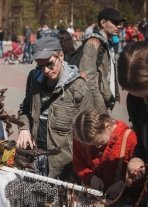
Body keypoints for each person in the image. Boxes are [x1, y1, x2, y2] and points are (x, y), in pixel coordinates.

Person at [16, 36, 94, 179]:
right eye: (40, 66)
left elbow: (88, 133)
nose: (45, 70)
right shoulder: (34, 78)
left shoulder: (79, 87)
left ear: (61, 55)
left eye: (50, 64)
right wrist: (24, 128)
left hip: (65, 166)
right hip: (35, 158)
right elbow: (25, 109)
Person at [117, 42, 148, 206]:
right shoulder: (136, 101)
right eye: (139, 96)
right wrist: (137, 158)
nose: (147, 102)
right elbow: (141, 137)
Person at [72, 109, 145, 205]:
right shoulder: (81, 140)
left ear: (107, 125)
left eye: (100, 143)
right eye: (91, 145)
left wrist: (123, 183)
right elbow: (79, 164)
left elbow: (140, 171)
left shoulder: (129, 138)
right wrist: (90, 177)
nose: (97, 147)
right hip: (95, 199)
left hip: (124, 199)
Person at [79, 8, 125, 111]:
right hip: (96, 105)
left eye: (119, 23)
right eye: (115, 22)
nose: (119, 26)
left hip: (105, 100)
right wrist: (101, 108)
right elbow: (88, 79)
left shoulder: (108, 43)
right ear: (103, 23)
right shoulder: (93, 43)